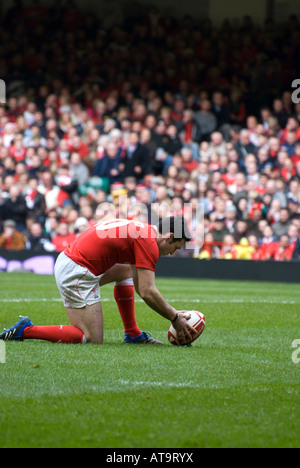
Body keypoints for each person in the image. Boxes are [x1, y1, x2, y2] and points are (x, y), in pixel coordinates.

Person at [0, 217, 197, 346]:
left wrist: (173, 314)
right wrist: (175, 318)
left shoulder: (143, 230)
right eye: (176, 247)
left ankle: (133, 333)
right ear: (169, 237)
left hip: (72, 262)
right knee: (91, 339)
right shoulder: (148, 242)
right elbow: (147, 291)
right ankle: (26, 330)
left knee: (127, 270)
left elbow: (139, 285)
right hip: (75, 271)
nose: (173, 253)